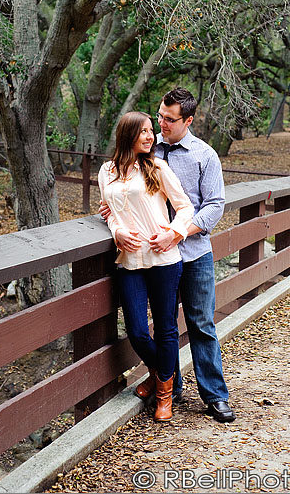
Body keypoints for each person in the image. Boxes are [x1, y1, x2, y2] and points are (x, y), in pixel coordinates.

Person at [101, 89, 236, 423]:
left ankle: (214, 396)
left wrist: (176, 233)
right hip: (149, 256)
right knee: (157, 328)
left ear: (187, 121)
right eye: (159, 116)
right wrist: (113, 215)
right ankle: (168, 385)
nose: (160, 124)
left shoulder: (204, 155)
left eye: (168, 120)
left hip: (191, 252)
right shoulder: (147, 147)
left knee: (200, 324)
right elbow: (120, 198)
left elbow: (214, 206)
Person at [98, 111, 193, 422]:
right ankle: (168, 377)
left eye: (152, 131)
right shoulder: (106, 172)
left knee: (166, 328)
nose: (151, 136)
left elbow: (184, 207)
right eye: (143, 131)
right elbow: (108, 212)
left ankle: (163, 393)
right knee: (137, 331)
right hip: (129, 261)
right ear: (127, 134)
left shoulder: (157, 167)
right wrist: (116, 231)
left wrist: (172, 234)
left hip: (163, 259)